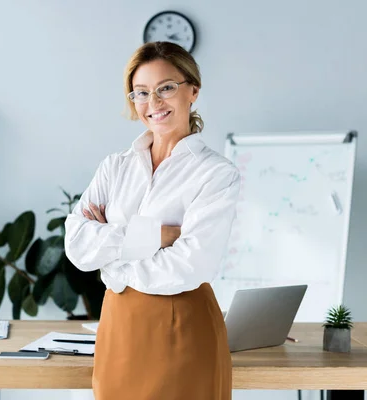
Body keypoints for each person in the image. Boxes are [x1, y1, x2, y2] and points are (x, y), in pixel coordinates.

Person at [64, 41, 240, 400]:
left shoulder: (216, 173)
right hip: (117, 327)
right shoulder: (116, 167)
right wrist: (159, 236)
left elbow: (192, 264)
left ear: (193, 90)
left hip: (184, 327)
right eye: (142, 92)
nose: (153, 103)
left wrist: (114, 260)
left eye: (166, 88)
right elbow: (78, 245)